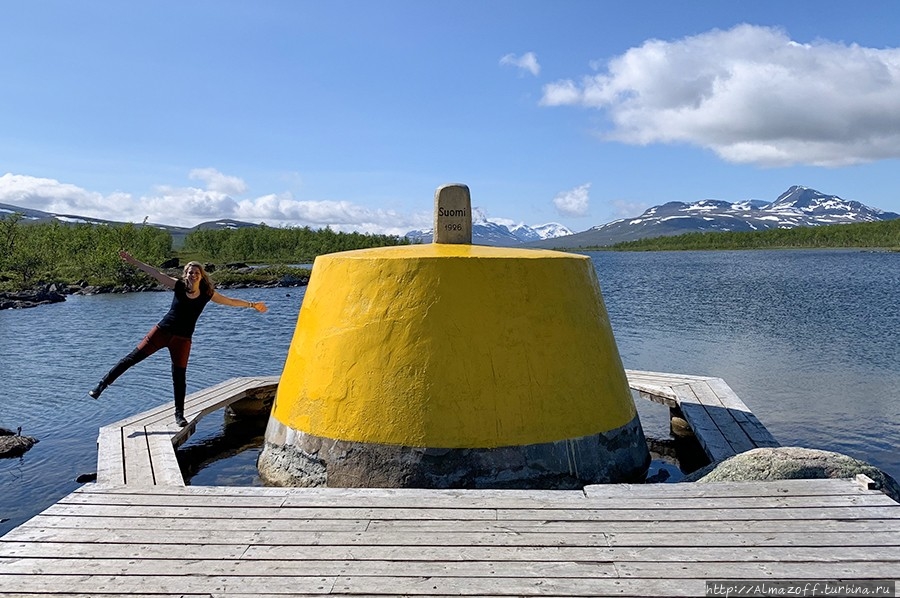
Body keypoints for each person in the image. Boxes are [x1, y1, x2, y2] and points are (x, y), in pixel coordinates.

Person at [89, 251, 268, 427]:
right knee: (132, 358)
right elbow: (156, 273)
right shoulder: (179, 286)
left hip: (182, 339)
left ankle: (179, 415)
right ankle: (101, 385)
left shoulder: (207, 293)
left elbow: (229, 301)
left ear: (201, 276)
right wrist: (134, 261)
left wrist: (252, 305)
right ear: (186, 274)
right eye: (190, 272)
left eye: (196, 273)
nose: (193, 275)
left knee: (179, 376)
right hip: (162, 332)